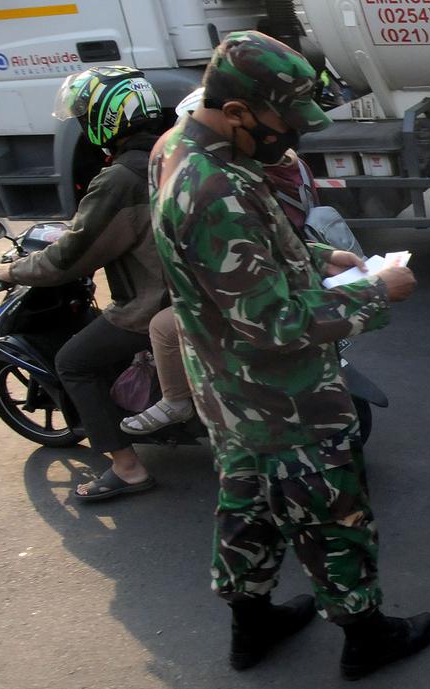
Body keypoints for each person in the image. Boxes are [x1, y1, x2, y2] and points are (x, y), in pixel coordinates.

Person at [148, 31, 430, 678]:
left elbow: (236, 259)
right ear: (239, 112)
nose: (293, 139)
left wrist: (318, 256)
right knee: (331, 507)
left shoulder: (185, 153)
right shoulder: (213, 185)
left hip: (227, 387)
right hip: (281, 390)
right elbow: (272, 319)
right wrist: (374, 294)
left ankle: (250, 623)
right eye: (284, 122)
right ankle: (365, 633)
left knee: (247, 501)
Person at [0, 66, 168, 502]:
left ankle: (126, 468)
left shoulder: (121, 178)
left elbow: (69, 256)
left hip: (153, 305)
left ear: (107, 117)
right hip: (190, 294)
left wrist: (8, 271)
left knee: (73, 361)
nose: (83, 124)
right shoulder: (168, 156)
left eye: (86, 113)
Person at [121, 88, 322, 436]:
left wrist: (360, 287)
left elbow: (266, 301)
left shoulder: (219, 180)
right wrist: (367, 289)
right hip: (263, 403)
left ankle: (175, 402)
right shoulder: (243, 180)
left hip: (253, 370)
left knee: (160, 326)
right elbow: (271, 307)